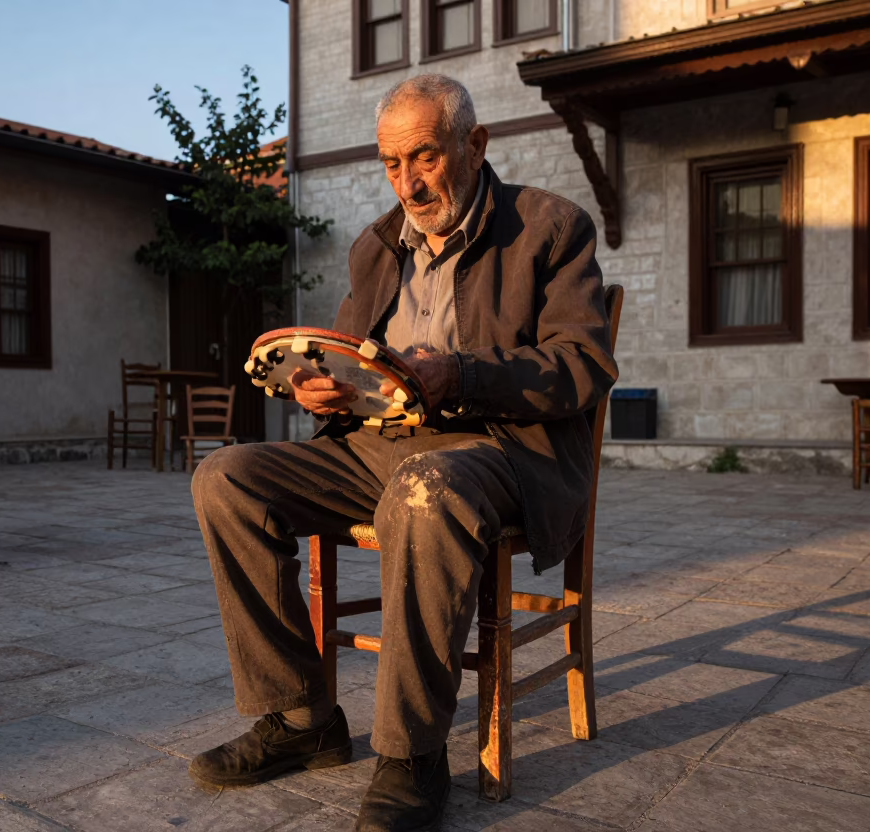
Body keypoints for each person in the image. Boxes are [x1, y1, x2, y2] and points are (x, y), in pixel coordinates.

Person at [187, 74, 618, 831]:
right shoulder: (377, 245)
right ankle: (301, 720)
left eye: (423, 156)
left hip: (499, 448)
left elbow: (582, 366)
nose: (408, 183)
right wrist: (319, 386)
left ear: (475, 144)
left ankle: (412, 754)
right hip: (380, 442)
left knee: (427, 486)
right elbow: (357, 358)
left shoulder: (551, 228)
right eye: (391, 163)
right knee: (226, 477)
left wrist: (463, 372)